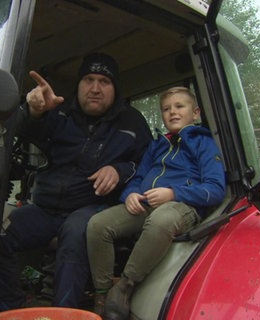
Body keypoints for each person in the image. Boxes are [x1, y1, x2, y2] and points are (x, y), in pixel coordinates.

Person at [0, 53, 152, 311]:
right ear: (78, 85)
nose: (95, 88)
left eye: (104, 81)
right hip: (45, 209)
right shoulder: (59, 113)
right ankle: (12, 308)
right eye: (89, 79)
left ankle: (62, 313)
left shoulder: (132, 122)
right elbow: (23, 130)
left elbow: (149, 166)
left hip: (92, 205)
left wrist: (119, 169)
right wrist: (33, 111)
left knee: (75, 235)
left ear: (115, 89)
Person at [86, 87, 226, 319]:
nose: (172, 112)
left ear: (196, 113)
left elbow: (215, 189)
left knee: (161, 219)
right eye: (166, 109)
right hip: (146, 203)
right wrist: (130, 194)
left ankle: (124, 287)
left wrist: (173, 193)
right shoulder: (157, 145)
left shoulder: (203, 142)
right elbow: (139, 178)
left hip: (182, 206)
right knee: (97, 225)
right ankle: (102, 295)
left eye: (179, 106)